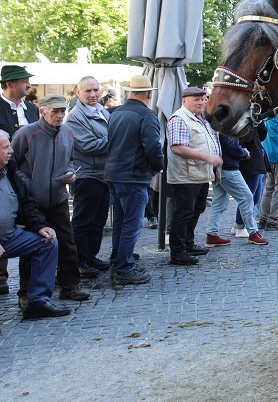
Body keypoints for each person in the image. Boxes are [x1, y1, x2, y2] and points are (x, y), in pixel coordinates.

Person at [11, 94, 88, 304]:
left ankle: (70, 285)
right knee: (31, 245)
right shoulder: (26, 134)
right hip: (31, 201)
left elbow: (70, 160)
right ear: (42, 111)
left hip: (58, 197)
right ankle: (26, 293)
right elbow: (12, 165)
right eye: (55, 111)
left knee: (67, 242)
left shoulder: (67, 133)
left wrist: (71, 173)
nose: (60, 115)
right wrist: (28, 184)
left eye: (62, 111)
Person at [0, 130, 70, 319]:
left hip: (9, 237)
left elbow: (27, 203)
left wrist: (40, 226)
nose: (12, 151)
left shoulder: (10, 172)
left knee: (46, 243)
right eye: (6, 147)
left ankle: (38, 301)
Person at [103, 75, 164, 285]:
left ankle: (118, 259)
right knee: (133, 222)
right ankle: (123, 268)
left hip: (114, 173)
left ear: (130, 92)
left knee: (121, 220)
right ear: (149, 93)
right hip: (133, 175)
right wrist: (157, 166)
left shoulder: (116, 112)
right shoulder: (146, 115)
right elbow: (153, 146)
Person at [167, 87, 224, 263]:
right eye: (196, 100)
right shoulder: (179, 118)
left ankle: (188, 244)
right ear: (184, 101)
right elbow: (177, 147)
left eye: (203, 99)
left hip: (199, 174)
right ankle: (177, 252)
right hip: (186, 175)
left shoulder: (201, 118)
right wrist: (206, 156)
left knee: (196, 209)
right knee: (183, 213)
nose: (201, 103)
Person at [63, 76, 112, 278]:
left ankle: (91, 256)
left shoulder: (103, 111)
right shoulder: (75, 116)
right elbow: (88, 145)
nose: (92, 95)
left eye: (95, 90)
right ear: (78, 93)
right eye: (87, 91)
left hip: (103, 173)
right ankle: (80, 261)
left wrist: (107, 140)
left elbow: (100, 141)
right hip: (86, 175)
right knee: (83, 221)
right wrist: (115, 139)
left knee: (98, 220)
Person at [0, 64, 40, 295]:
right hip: (6, 173)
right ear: (10, 84)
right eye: (24, 80)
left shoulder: (32, 109)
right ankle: (1, 276)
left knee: (31, 224)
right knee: (4, 221)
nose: (28, 84)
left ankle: (28, 286)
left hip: (32, 174)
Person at [207, 131, 265, 246]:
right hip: (228, 167)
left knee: (219, 201)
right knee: (247, 197)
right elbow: (233, 147)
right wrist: (244, 153)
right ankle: (253, 232)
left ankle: (211, 234)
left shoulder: (217, 123)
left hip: (219, 166)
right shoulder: (227, 125)